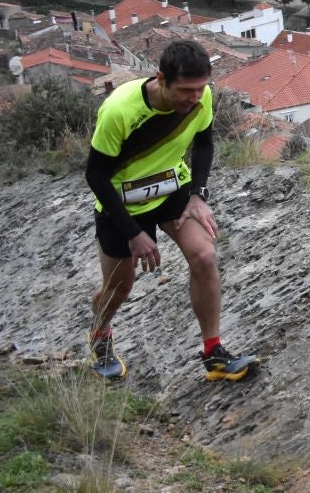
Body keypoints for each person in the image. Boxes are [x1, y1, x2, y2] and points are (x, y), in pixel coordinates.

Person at [85, 38, 257, 382]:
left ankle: (213, 353)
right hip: (121, 201)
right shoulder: (120, 111)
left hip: (170, 187)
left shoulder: (201, 98)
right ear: (160, 79)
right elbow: (95, 174)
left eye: (200, 89)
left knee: (205, 256)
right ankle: (100, 334)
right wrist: (133, 234)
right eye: (186, 90)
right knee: (119, 288)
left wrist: (198, 194)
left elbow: (205, 142)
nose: (195, 98)